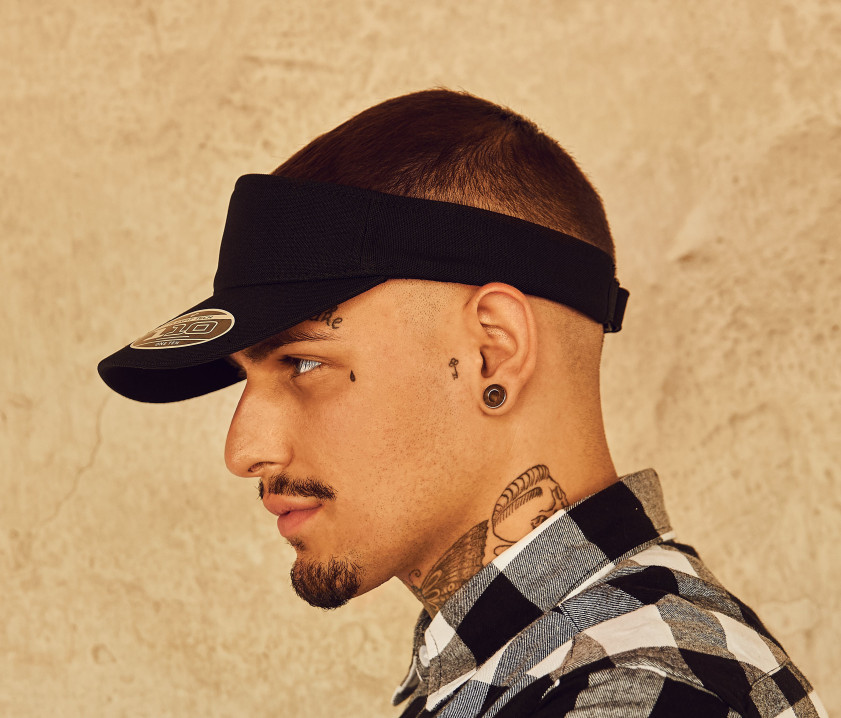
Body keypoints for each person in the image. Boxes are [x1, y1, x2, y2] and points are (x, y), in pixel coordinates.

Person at [98, 89, 826, 717]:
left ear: (492, 351)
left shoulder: (639, 693)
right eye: (245, 376)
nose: (243, 450)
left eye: (304, 363)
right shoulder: (529, 667)